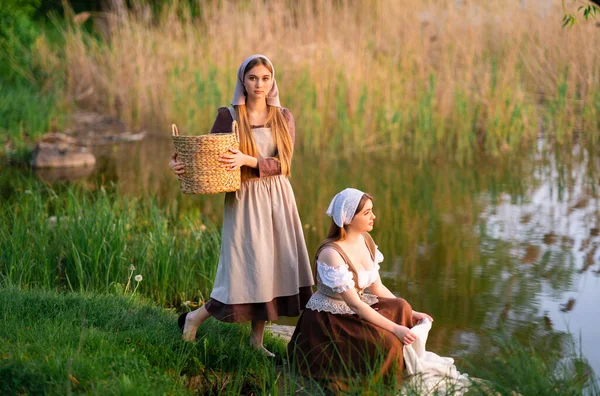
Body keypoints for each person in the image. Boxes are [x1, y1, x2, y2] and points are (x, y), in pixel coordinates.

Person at [169, 54, 314, 355]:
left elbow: (285, 165)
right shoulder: (230, 116)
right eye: (252, 78)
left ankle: (256, 341)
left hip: (277, 198)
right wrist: (182, 164)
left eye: (265, 78)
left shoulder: (282, 116)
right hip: (244, 200)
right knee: (241, 269)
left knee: (269, 270)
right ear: (242, 81)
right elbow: (208, 157)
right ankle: (192, 319)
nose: (259, 84)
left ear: (272, 80)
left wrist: (247, 160)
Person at [288, 188, 433, 391]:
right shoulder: (331, 253)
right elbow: (355, 304)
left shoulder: (366, 240)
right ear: (347, 218)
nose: (373, 217)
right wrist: (396, 329)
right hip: (330, 320)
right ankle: (381, 383)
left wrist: (413, 313)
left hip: (356, 307)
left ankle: (399, 358)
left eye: (371, 211)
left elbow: (377, 287)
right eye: (366, 213)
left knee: (402, 306)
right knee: (389, 341)